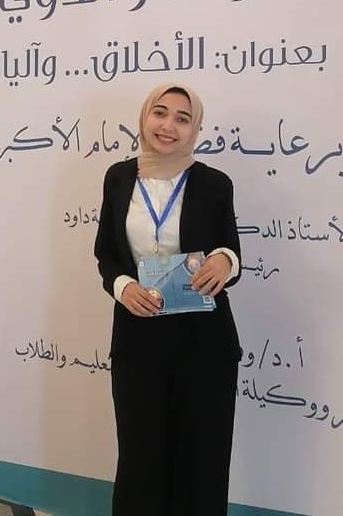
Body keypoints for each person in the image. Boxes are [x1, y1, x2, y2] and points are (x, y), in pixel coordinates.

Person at [93, 83, 242, 516]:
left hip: (204, 346)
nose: (169, 126)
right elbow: (106, 254)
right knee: (140, 460)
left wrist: (224, 261)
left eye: (183, 118)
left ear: (195, 129)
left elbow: (230, 250)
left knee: (202, 462)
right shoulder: (118, 178)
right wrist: (124, 287)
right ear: (144, 118)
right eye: (160, 113)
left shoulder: (214, 184)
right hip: (138, 341)